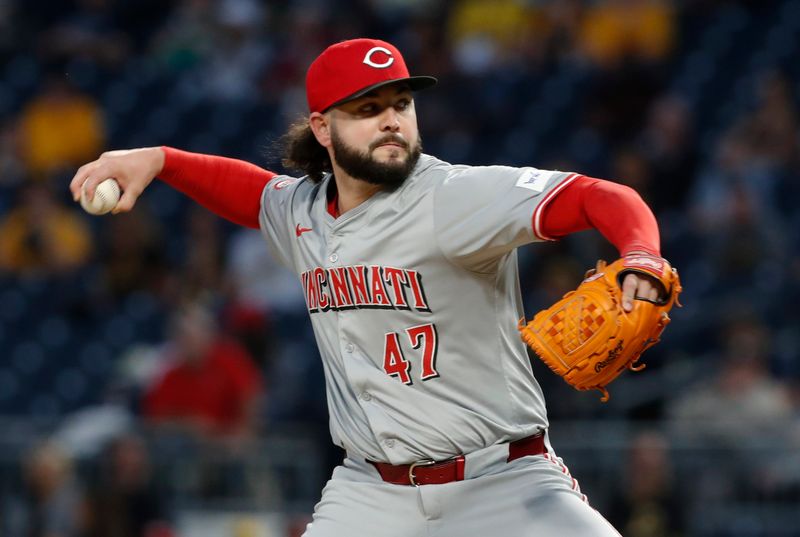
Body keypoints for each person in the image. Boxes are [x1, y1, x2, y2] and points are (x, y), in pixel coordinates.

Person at [72, 38, 669, 536]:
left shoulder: (454, 197)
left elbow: (601, 196)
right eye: (367, 107)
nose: (391, 119)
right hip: (370, 492)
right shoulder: (303, 211)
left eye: (401, 103)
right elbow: (251, 193)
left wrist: (640, 258)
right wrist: (158, 159)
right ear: (322, 128)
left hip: (502, 482)